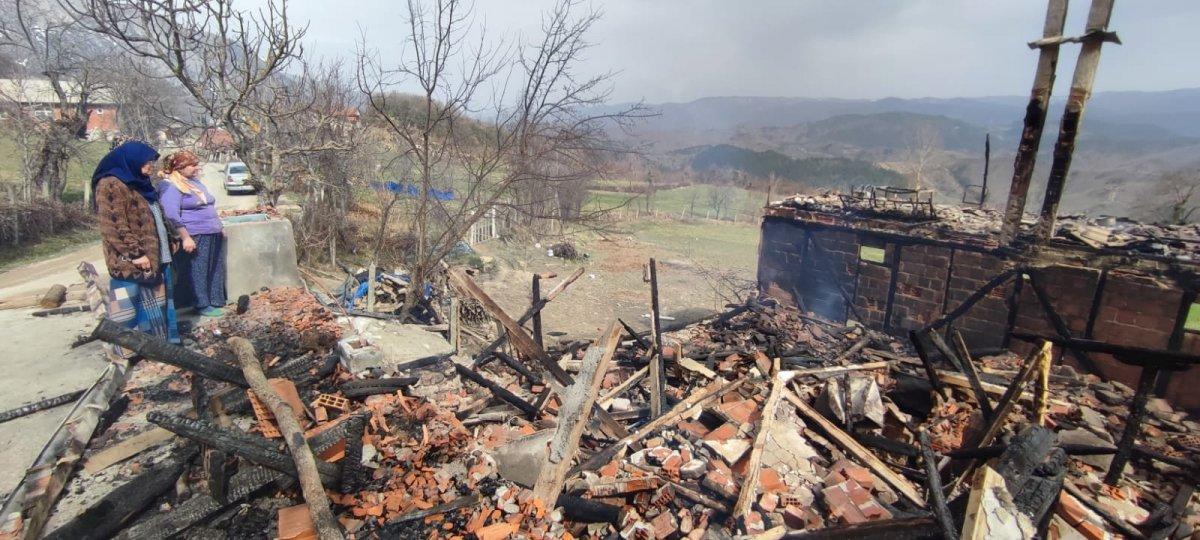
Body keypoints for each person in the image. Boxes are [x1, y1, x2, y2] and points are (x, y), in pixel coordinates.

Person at [93, 140, 180, 349]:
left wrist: (170, 237)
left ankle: (158, 346)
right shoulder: (111, 184)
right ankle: (129, 349)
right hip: (131, 260)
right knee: (130, 304)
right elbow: (113, 226)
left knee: (156, 302)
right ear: (131, 160)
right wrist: (136, 254)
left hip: (156, 254)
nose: (151, 167)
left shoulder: (140, 182)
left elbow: (156, 214)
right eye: (147, 162)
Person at [158, 150, 226, 317]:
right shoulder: (171, 186)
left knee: (214, 267)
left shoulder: (194, 183)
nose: (197, 168)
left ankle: (215, 299)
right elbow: (171, 214)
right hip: (195, 234)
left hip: (212, 231)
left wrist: (220, 227)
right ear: (180, 167)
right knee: (198, 269)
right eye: (192, 165)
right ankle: (201, 304)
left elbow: (208, 205)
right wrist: (185, 237)